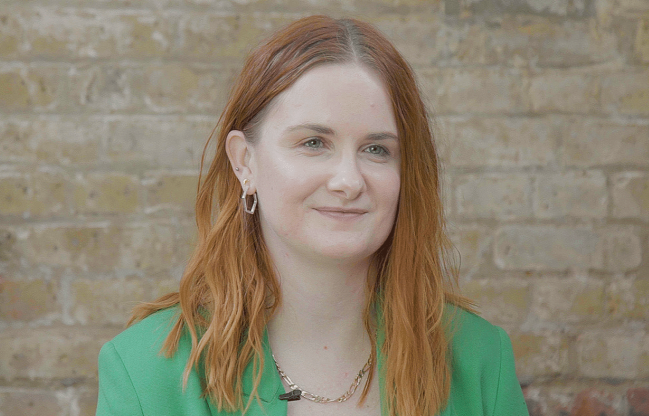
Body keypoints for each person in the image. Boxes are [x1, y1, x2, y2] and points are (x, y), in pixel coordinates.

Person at [96, 15, 529, 416]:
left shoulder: (479, 358)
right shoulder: (147, 370)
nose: (348, 181)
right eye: (313, 143)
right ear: (245, 162)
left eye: (377, 149)